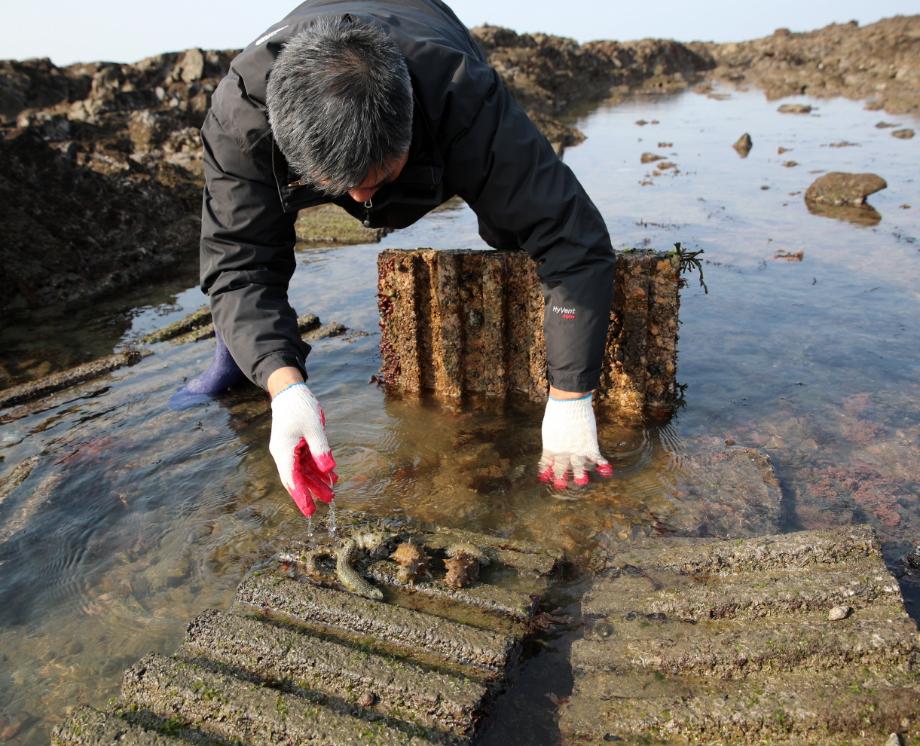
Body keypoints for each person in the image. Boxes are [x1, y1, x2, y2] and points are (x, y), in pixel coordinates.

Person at [192, 0, 616, 517]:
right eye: (340, 186)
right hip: (293, 113)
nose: (361, 201)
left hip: (423, 25)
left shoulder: (462, 93)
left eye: (378, 180)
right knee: (247, 270)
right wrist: (285, 389)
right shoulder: (240, 120)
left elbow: (573, 241)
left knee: (516, 227)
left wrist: (571, 397)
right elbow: (240, 264)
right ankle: (244, 355)